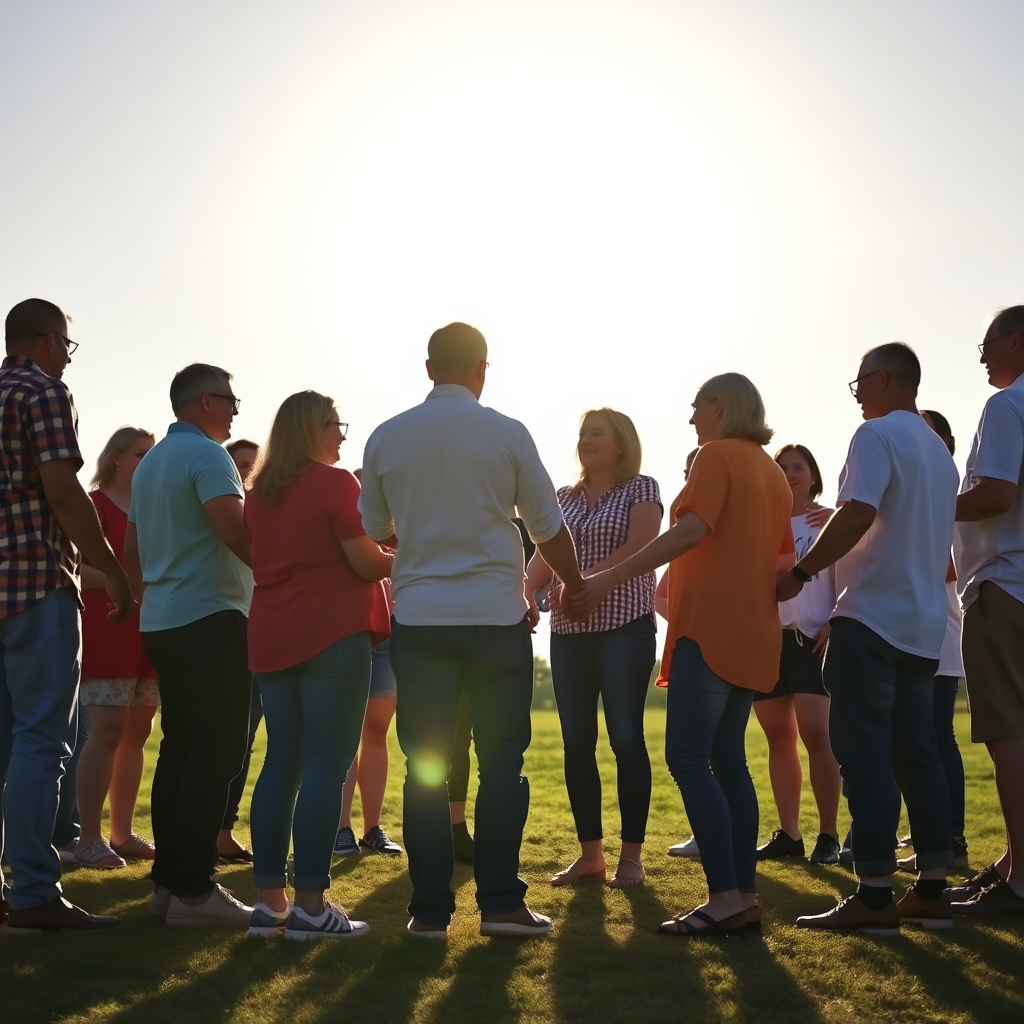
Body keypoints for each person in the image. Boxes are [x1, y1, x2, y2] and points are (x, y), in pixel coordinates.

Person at [359, 321, 585, 939]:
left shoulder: (386, 436)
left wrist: (424, 543)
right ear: (482, 369)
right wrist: (576, 582)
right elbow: (547, 526)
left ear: (428, 368)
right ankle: (502, 905)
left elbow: (376, 526)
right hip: (494, 618)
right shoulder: (507, 433)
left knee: (425, 766)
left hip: (421, 619)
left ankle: (429, 913)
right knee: (502, 764)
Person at [570, 373, 794, 937]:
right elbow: (784, 572)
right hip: (756, 635)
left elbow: (691, 529)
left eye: (696, 408)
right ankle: (742, 896)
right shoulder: (772, 470)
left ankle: (722, 898)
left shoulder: (715, 456)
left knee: (690, 760)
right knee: (731, 763)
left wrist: (615, 576)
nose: (692, 419)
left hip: (709, 633)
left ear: (718, 407)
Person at [778, 343, 958, 934]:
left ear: (881, 380)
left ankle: (875, 896)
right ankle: (932, 890)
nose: (855, 396)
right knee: (919, 754)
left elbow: (855, 513)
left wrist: (802, 573)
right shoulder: (938, 451)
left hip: (872, 619)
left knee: (865, 758)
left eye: (858, 384)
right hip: (924, 624)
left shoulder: (875, 436)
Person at [1, 298, 132, 932]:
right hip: (35, 584)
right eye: (67, 345)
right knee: (40, 743)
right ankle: (32, 891)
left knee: (5, 746)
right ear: (50, 339)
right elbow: (61, 489)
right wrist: (107, 565)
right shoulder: (44, 391)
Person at [245, 392, 392, 940]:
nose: (342, 434)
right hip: (330, 632)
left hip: (271, 632)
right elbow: (363, 560)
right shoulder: (335, 483)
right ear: (313, 428)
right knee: (328, 764)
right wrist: (402, 558)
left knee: (280, 762)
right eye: (335, 423)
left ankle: (269, 903)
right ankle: (311, 904)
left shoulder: (257, 493)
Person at [124, 363, 255, 927]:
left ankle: (169, 887)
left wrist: (143, 597)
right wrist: (283, 576)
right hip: (210, 619)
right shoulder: (207, 455)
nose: (234, 410)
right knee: (216, 751)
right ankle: (195, 892)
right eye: (230, 400)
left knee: (179, 750)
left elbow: (131, 548)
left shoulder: (151, 462)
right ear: (206, 401)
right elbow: (234, 528)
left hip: (163, 621)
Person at [526, 408, 662, 888]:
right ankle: (591, 856)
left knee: (626, 738)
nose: (585, 440)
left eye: (596, 433)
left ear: (620, 443)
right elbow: (545, 554)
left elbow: (646, 544)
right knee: (576, 743)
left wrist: (591, 582)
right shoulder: (563, 497)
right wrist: (525, 591)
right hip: (569, 634)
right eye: (582, 433)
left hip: (624, 626)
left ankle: (631, 857)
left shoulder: (641, 488)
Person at [950, 307, 1024, 916]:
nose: (981, 355)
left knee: (1009, 738)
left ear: (1017, 342)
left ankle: (1020, 882)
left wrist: (933, 508)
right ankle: (1012, 862)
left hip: (1003, 585)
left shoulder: (1006, 406)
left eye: (988, 343)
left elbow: (998, 493)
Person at [73, 427, 159, 869]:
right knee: (105, 732)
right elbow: (73, 566)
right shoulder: (93, 504)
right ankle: (86, 837)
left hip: (151, 628)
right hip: (107, 626)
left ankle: (121, 833)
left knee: (137, 735)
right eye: (142, 454)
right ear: (118, 457)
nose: (151, 460)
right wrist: (119, 582)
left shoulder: (154, 506)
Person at [753, 444, 842, 865]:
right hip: (768, 642)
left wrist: (833, 621)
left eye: (797, 467)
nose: (789, 473)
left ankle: (829, 834)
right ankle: (789, 834)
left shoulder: (827, 520)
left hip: (813, 640)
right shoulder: (760, 522)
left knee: (818, 736)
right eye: (781, 467)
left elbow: (846, 577)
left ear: (812, 475)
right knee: (779, 739)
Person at [896, 410, 969, 872]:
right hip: (920, 633)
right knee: (921, 739)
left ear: (945, 443)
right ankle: (935, 833)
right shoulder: (929, 497)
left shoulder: (953, 499)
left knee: (937, 738)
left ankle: (949, 841)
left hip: (939, 637)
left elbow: (949, 566)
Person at [218, 438, 263, 865]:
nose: (248, 472)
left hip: (267, 631)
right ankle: (209, 833)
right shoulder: (222, 511)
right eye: (241, 464)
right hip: (232, 628)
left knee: (246, 741)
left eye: (255, 465)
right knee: (229, 737)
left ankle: (224, 831)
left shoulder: (266, 511)